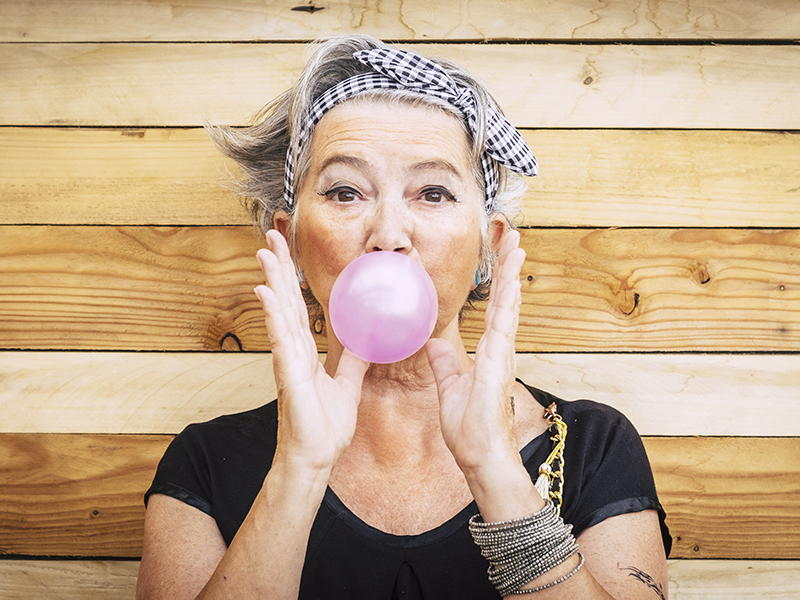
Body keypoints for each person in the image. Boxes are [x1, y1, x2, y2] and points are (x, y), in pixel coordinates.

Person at [137, 35, 671, 600]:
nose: (389, 236)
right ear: (290, 242)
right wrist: (299, 471)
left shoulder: (594, 447)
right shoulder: (203, 465)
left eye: (434, 193)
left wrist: (495, 469)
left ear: (487, 248)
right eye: (345, 192)